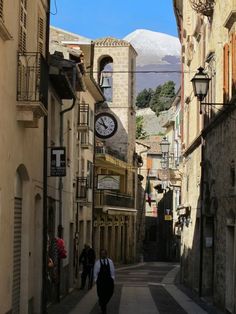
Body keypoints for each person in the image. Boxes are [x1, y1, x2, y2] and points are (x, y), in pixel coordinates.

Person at [94, 249, 115, 314]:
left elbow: (112, 271)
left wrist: (112, 279)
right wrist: (96, 280)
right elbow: (95, 273)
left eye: (104, 253)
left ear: (106, 254)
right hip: (101, 282)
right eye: (101, 254)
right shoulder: (97, 263)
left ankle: (102, 302)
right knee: (101, 295)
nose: (103, 255)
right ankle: (104, 309)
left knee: (110, 293)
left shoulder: (110, 261)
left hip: (108, 281)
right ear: (100, 255)